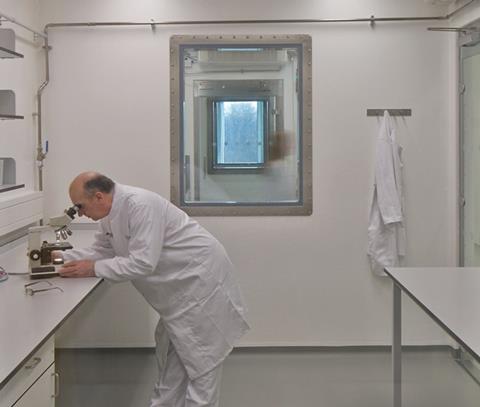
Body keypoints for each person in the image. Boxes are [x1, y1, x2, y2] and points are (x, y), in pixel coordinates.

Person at [59, 171, 250, 407]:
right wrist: (60, 258)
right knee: (174, 365)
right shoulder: (109, 213)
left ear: (98, 196)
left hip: (198, 284)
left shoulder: (139, 205)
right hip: (178, 293)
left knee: (202, 366)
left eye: (80, 206)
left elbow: (142, 263)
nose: (80, 214)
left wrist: (93, 269)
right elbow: (102, 251)